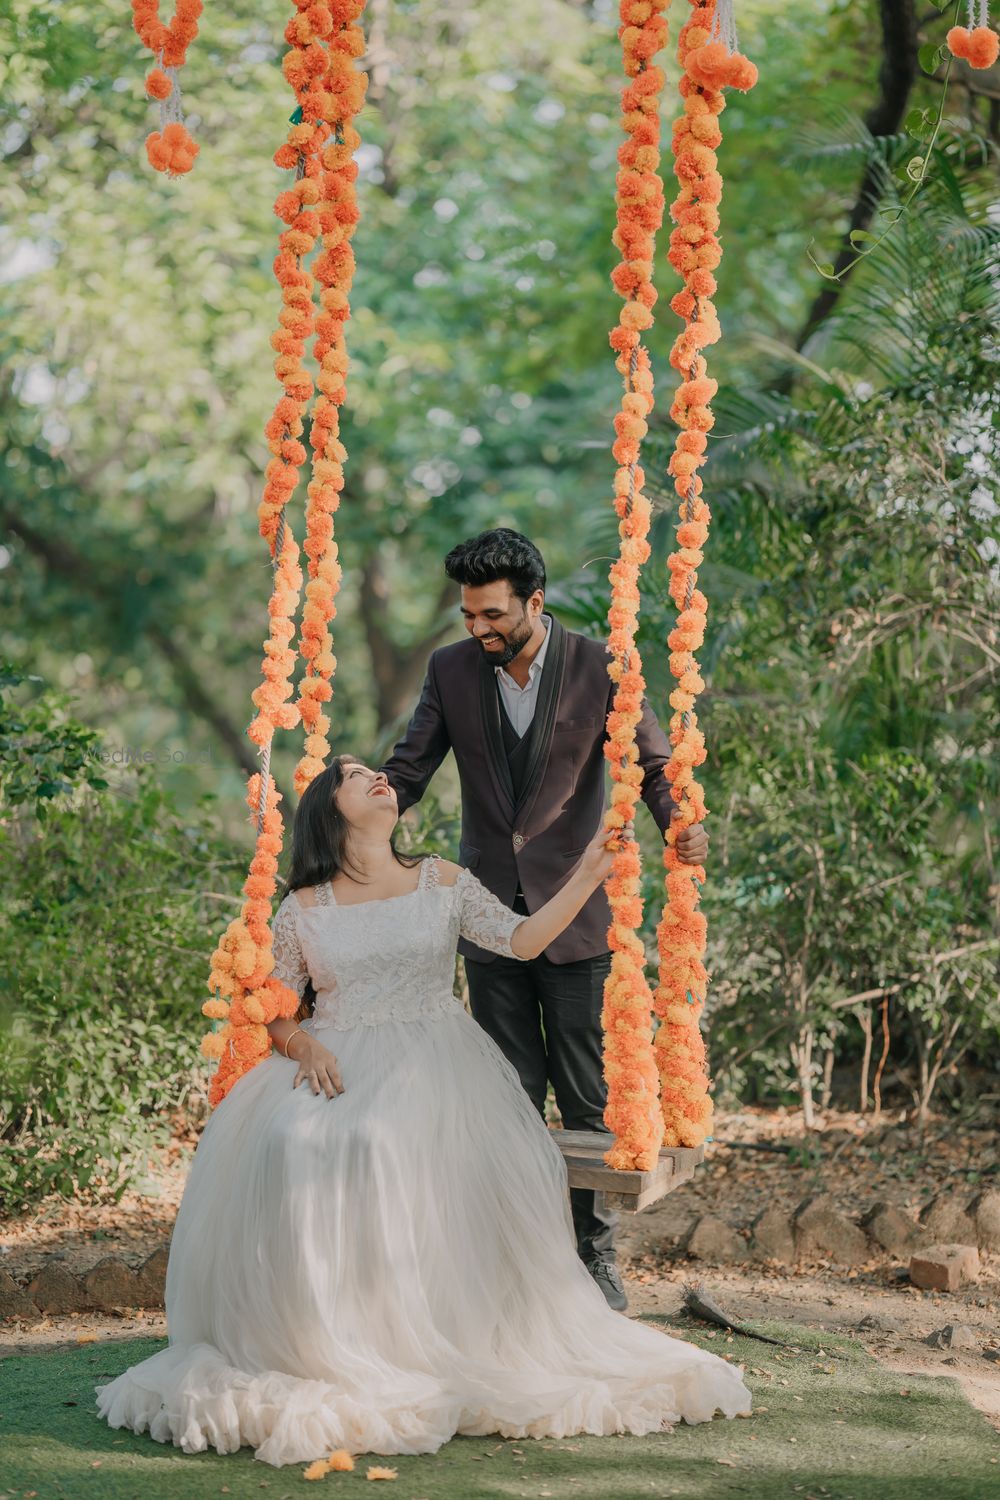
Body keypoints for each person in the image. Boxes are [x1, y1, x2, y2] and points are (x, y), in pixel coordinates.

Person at [96, 755, 750, 1466]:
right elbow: (276, 1011)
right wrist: (303, 1046)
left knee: (390, 1145)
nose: (376, 775)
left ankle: (427, 1332)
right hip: (337, 1057)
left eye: (377, 770)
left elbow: (524, 940)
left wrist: (591, 870)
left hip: (438, 1062)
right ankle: (324, 1337)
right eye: (353, 775)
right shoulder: (304, 908)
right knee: (295, 1143)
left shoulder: (441, 880)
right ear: (329, 810)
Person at [381, 528, 706, 1310]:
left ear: (536, 601)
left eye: (492, 614)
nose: (478, 629)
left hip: (577, 914)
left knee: (588, 1097)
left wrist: (679, 825)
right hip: (488, 916)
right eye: (468, 615)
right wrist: (351, 821)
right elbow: (408, 768)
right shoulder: (450, 670)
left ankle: (593, 1261)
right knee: (506, 1096)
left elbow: (656, 766)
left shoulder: (604, 667)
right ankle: (515, 1261)